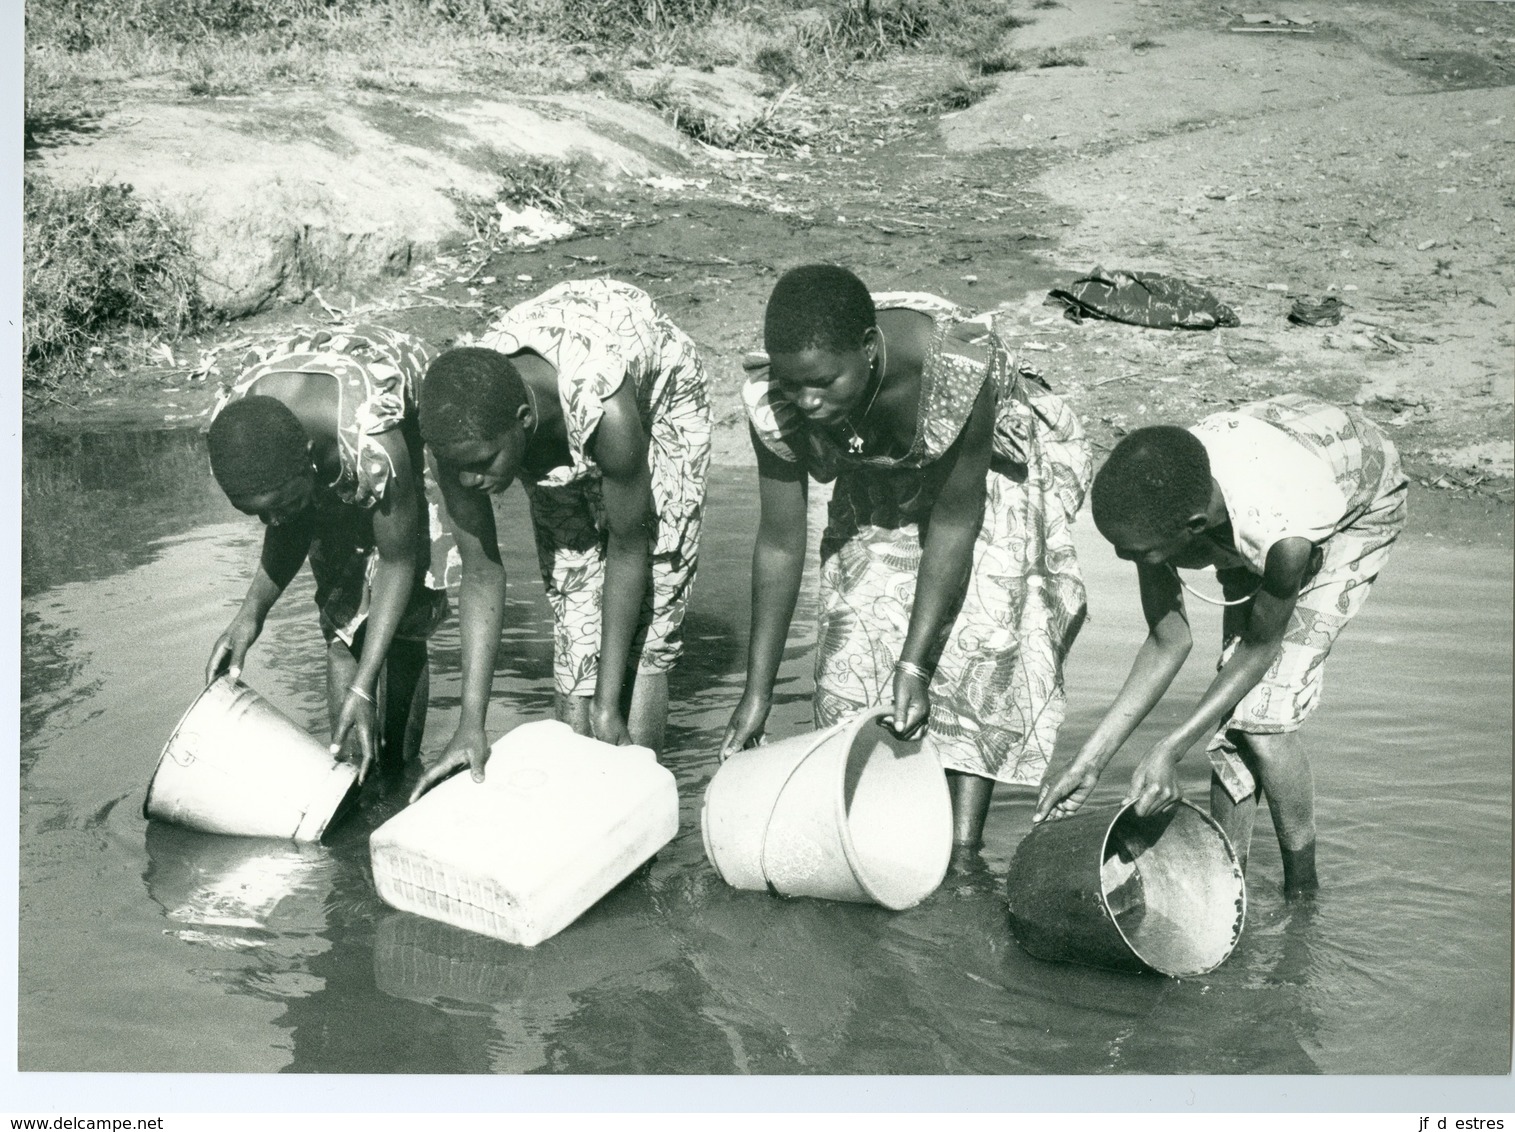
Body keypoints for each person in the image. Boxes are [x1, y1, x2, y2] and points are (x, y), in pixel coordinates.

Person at [720, 264, 1092, 856]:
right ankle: (874, 827)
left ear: (869, 350)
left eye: (822, 382)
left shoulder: (951, 369)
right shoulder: (781, 396)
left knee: (981, 637)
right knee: (850, 657)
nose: (807, 401)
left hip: (994, 463)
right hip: (881, 456)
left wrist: (915, 666)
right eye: (794, 385)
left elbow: (954, 522)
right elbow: (780, 544)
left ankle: (964, 852)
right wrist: (757, 691)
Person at [1033, 394, 1409, 897]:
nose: (1127, 559)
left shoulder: (1283, 537)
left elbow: (1260, 648)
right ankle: (1224, 883)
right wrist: (1090, 761)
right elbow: (1169, 640)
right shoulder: (1167, 497)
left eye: (1137, 553)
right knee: (1230, 719)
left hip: (1359, 493)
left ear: (1191, 529)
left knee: (1264, 718)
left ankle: (1303, 892)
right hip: (1280, 449)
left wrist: (1170, 746)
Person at [413, 278, 711, 798]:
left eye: (483, 467)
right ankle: (578, 806)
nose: (471, 485)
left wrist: (607, 701)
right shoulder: (457, 438)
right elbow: (481, 572)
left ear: (524, 421)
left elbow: (628, 545)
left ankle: (636, 808)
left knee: (650, 621)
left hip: (655, 387)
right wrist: (470, 724)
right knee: (575, 616)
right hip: (547, 398)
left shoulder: (608, 409)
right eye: (459, 471)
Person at [204, 324, 452, 786]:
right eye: (258, 514)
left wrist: (367, 682)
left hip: (406, 414)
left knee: (405, 628)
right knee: (342, 626)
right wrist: (249, 616)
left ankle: (397, 776)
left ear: (311, 459)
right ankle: (346, 779)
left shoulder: (371, 439)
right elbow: (289, 526)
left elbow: (398, 562)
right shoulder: (238, 426)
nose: (270, 523)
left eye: (284, 506)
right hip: (317, 431)